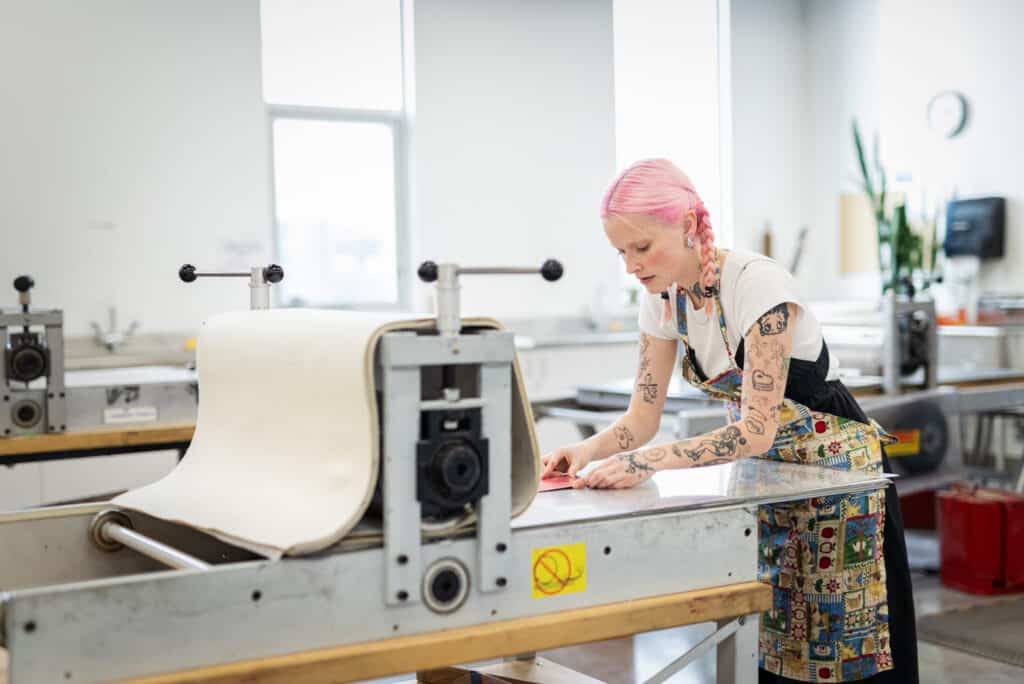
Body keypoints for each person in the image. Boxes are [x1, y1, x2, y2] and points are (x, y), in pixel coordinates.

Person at [541, 159, 918, 683]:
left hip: (837, 479)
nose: (631, 265)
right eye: (621, 252)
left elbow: (754, 427)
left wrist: (646, 462)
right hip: (766, 481)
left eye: (642, 247)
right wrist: (588, 451)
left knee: (842, 649)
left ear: (692, 225)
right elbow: (641, 418)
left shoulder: (757, 285)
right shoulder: (663, 301)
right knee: (769, 638)